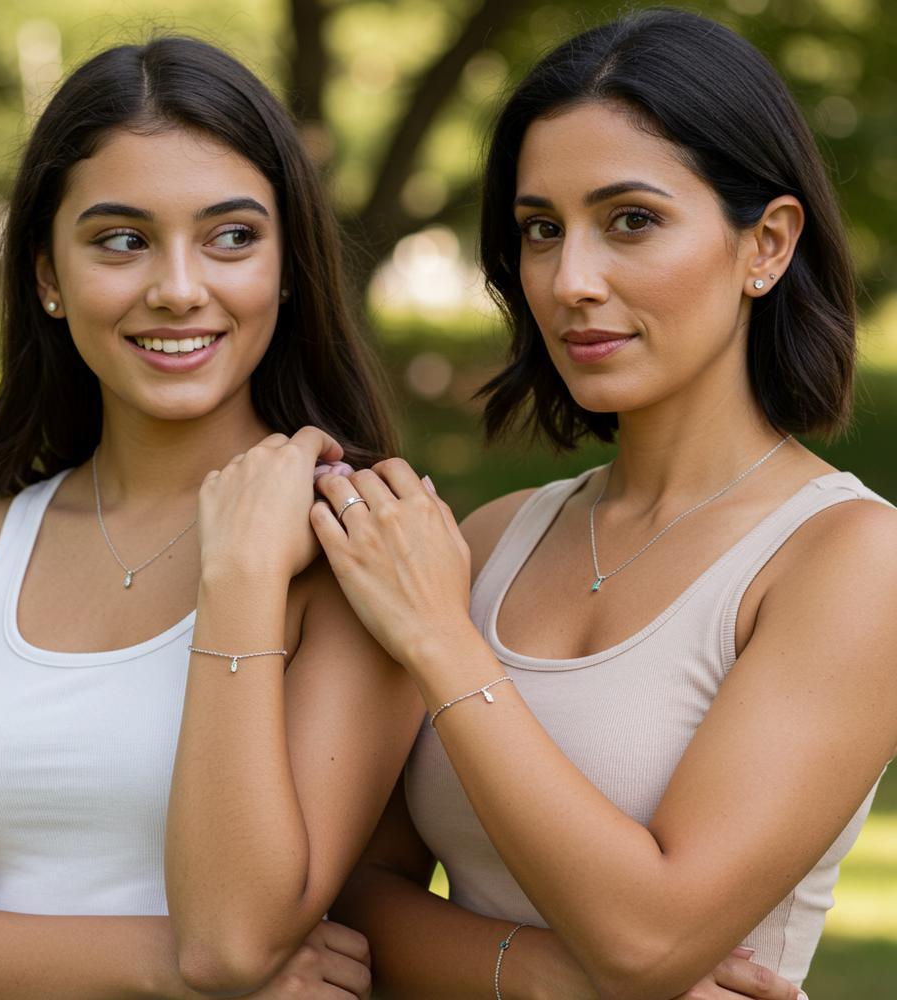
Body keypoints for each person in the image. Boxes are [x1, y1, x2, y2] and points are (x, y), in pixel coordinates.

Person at [312, 8, 897, 999]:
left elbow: (648, 936)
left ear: (766, 243)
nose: (569, 280)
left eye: (631, 220)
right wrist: (544, 975)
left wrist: (440, 642)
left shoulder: (849, 558)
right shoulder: (491, 540)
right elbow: (350, 897)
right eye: (541, 230)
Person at [0, 36, 424, 998]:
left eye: (232, 237)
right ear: (48, 276)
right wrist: (156, 967)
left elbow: (235, 939)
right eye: (121, 240)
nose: (179, 288)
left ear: (288, 266)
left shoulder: (361, 546)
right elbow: (214, 968)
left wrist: (241, 576)